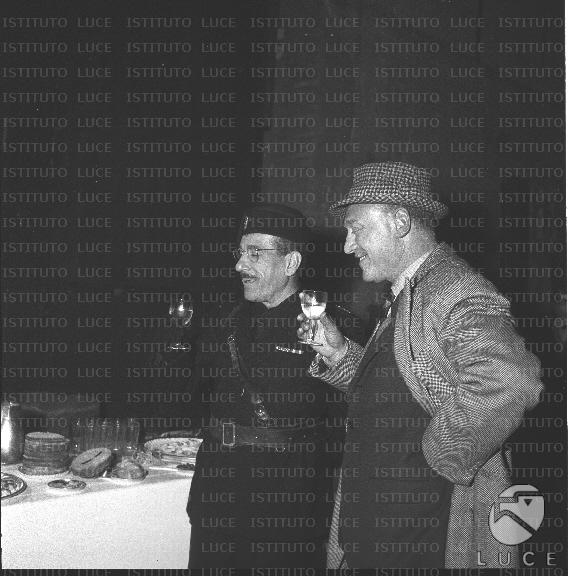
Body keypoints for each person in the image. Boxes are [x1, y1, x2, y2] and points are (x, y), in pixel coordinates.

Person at [297, 162, 544, 569]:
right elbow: (401, 392)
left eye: (356, 228)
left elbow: (511, 379)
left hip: (419, 535)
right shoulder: (412, 290)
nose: (347, 245)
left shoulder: (453, 289)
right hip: (381, 529)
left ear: (399, 222)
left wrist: (441, 453)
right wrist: (340, 354)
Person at [187, 204, 361, 568]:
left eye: (255, 253)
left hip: (285, 508)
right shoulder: (227, 321)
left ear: (291, 262)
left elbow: (355, 417)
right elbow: (195, 393)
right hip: (216, 496)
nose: (240, 265)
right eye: (240, 253)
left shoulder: (332, 328)